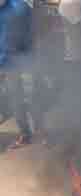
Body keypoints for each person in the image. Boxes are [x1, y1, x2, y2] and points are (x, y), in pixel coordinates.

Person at [1, 0, 40, 150]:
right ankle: (30, 132)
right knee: (18, 98)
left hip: (15, 62)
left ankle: (28, 134)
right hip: (15, 60)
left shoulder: (20, 8)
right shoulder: (21, 6)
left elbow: (28, 34)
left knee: (19, 98)